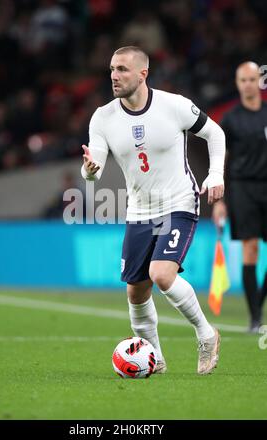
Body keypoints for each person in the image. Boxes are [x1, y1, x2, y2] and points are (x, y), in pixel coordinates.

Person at [81, 46, 225, 375]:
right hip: (139, 211)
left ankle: (206, 334)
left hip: (179, 202)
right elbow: (95, 168)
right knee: (135, 290)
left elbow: (214, 132)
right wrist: (89, 169)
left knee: (161, 274)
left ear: (143, 73)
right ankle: (155, 359)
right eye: (112, 70)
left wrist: (214, 174)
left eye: (122, 70)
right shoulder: (103, 117)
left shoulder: (173, 106)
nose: (114, 76)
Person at [212, 61, 267, 333]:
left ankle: (258, 302)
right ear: (237, 83)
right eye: (242, 79)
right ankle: (255, 318)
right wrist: (221, 199)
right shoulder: (231, 119)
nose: (247, 83)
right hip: (243, 188)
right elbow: (223, 158)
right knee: (251, 248)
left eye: (252, 79)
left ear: (259, 81)